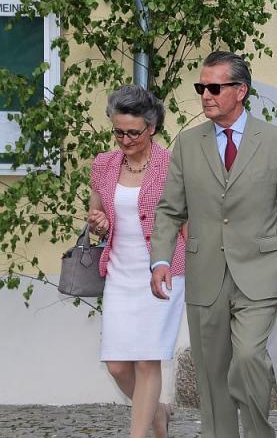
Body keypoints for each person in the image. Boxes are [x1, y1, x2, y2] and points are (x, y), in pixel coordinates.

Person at [150, 51, 277, 438]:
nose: (205, 95)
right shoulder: (187, 143)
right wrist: (160, 260)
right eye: (201, 88)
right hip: (205, 272)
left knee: (248, 357)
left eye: (214, 88)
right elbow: (170, 210)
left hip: (260, 271)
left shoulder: (276, 142)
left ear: (240, 91)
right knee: (212, 373)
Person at [88, 85, 184, 438]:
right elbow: (96, 215)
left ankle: (139, 434)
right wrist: (98, 223)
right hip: (119, 273)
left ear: (152, 127)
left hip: (163, 272)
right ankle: (158, 412)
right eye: (118, 132)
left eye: (133, 132)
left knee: (147, 358)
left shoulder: (172, 165)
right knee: (117, 365)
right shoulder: (103, 164)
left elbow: (185, 221)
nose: (125, 140)